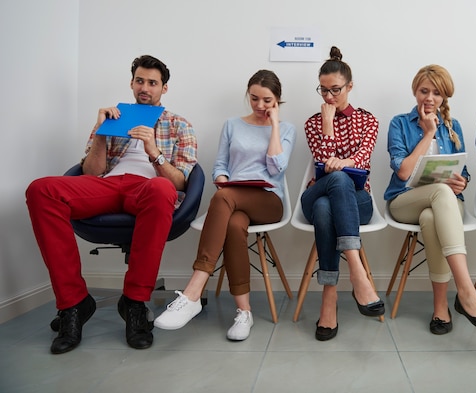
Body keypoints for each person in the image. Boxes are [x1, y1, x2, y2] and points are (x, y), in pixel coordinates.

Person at [25, 55, 197, 354]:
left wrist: (154, 151)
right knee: (41, 190)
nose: (145, 87)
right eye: (140, 81)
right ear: (132, 83)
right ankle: (74, 303)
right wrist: (101, 132)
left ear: (164, 89)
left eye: (152, 83)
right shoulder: (113, 117)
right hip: (107, 185)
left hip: (148, 187)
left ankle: (134, 301)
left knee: (160, 189)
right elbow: (91, 172)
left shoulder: (179, 124)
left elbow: (180, 183)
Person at [154, 70, 296, 341]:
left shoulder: (287, 129)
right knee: (232, 222)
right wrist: (221, 178)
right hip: (233, 200)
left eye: (267, 100)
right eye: (254, 98)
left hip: (268, 200)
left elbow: (277, 168)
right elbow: (221, 165)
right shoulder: (232, 124)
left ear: (277, 100)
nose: (259, 105)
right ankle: (244, 313)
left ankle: (193, 291)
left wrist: (274, 126)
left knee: (222, 198)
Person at [384, 65, 476, 334]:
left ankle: (441, 308)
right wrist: (427, 134)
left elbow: (463, 170)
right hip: (404, 201)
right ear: (415, 91)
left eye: (436, 93)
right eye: (424, 91)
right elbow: (403, 172)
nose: (429, 98)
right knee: (440, 192)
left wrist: (463, 181)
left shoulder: (454, 126)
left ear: (444, 96)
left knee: (431, 216)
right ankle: (466, 292)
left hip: (445, 205)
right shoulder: (399, 123)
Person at [301, 46, 384, 342]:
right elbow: (322, 166)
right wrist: (327, 124)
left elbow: (363, 160)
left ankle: (329, 298)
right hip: (315, 193)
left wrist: (345, 163)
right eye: (322, 90)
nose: (328, 97)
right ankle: (357, 272)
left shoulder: (369, 120)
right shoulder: (313, 122)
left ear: (350, 86)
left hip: (357, 200)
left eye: (335, 90)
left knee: (327, 207)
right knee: (333, 180)